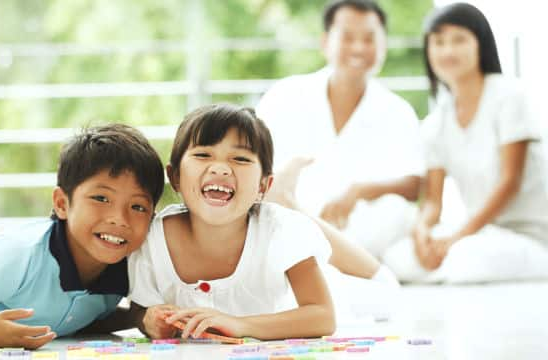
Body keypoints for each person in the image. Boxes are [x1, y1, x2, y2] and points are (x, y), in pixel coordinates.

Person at [0, 123, 165, 349]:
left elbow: (78, 317)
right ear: (62, 204)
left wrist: (137, 317)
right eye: (101, 198)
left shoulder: (127, 264)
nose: (119, 219)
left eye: (138, 207)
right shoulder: (19, 253)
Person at [129, 104, 335, 340]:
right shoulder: (151, 237)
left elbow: (323, 316)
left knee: (378, 281)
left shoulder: (281, 231)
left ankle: (287, 195)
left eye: (240, 159)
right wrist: (149, 322)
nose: (220, 168)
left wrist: (239, 324)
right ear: (175, 177)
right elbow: (139, 310)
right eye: (202, 155)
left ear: (263, 186)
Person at [383, 2, 548, 283]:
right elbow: (432, 202)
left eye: (459, 40)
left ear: (480, 45)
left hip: (530, 236)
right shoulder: (437, 122)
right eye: (438, 42)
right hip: (484, 234)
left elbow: (511, 183)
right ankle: (445, 267)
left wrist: (457, 237)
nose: (448, 51)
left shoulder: (509, 97)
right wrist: (422, 233)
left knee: (464, 257)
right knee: (398, 257)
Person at [256, 0, 425, 259]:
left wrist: (360, 191)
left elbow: (415, 185)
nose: (359, 48)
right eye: (347, 37)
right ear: (325, 42)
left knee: (394, 215)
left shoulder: (398, 111)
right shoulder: (284, 97)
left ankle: (340, 260)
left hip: (366, 232)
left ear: (383, 46)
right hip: (292, 224)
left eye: (369, 38)